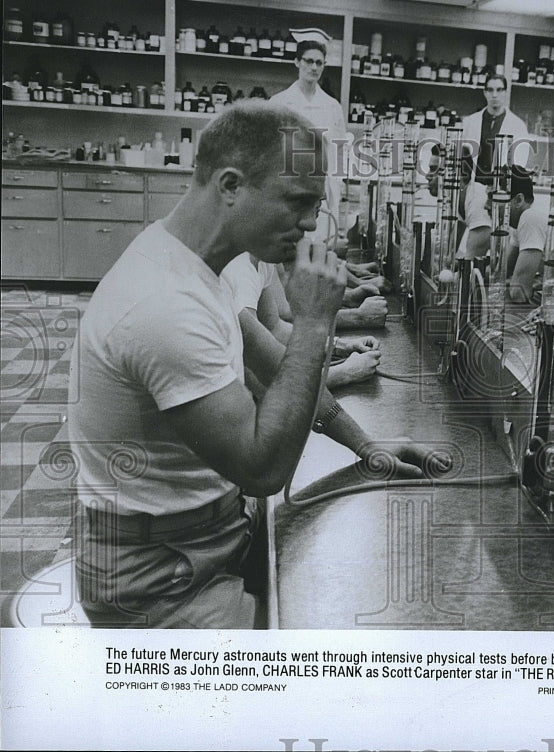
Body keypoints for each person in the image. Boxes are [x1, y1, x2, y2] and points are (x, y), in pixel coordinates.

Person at [69, 102, 441, 629]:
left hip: (207, 542)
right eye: (298, 201)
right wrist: (313, 324)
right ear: (230, 186)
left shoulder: (194, 268)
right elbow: (262, 469)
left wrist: (368, 447)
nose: (311, 222)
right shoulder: (164, 304)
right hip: (159, 582)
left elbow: (273, 373)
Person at [220, 253, 383, 388]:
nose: (310, 224)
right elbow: (258, 376)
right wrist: (344, 372)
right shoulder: (240, 271)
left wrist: (338, 345)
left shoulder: (263, 260)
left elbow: (275, 326)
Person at [270, 38, 348, 240]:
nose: (314, 67)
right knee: (286, 250)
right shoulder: (278, 103)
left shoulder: (332, 107)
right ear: (297, 62)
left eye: (319, 63)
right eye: (308, 61)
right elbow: (270, 153)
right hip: (288, 192)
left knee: (318, 248)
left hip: (321, 195)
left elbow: (339, 153)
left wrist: (337, 186)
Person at [462, 74, 529, 185]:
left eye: (499, 90)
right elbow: (462, 157)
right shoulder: (469, 122)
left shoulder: (518, 126)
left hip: (500, 189)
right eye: (490, 90)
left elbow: (519, 163)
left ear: (505, 92)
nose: (494, 95)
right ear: (485, 92)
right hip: (471, 187)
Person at [427, 144, 492, 260]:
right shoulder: (458, 200)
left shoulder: (478, 201)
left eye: (433, 170)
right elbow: (450, 256)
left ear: (455, 176)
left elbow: (470, 264)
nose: (427, 176)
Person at [505, 165, 549, 304]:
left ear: (518, 200)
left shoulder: (531, 217)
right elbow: (502, 272)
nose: (487, 206)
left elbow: (519, 293)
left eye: (492, 199)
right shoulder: (522, 218)